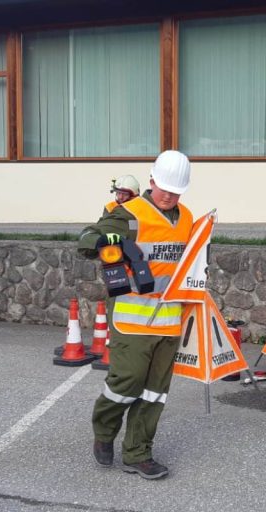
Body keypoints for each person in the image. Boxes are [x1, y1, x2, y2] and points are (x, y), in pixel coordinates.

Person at [77, 150, 193, 480]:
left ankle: (138, 452)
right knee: (126, 383)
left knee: (154, 391)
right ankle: (104, 431)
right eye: (165, 188)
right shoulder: (130, 215)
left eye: (177, 190)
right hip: (132, 318)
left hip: (169, 321)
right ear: (152, 180)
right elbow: (85, 240)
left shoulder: (186, 219)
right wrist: (104, 239)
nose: (170, 195)